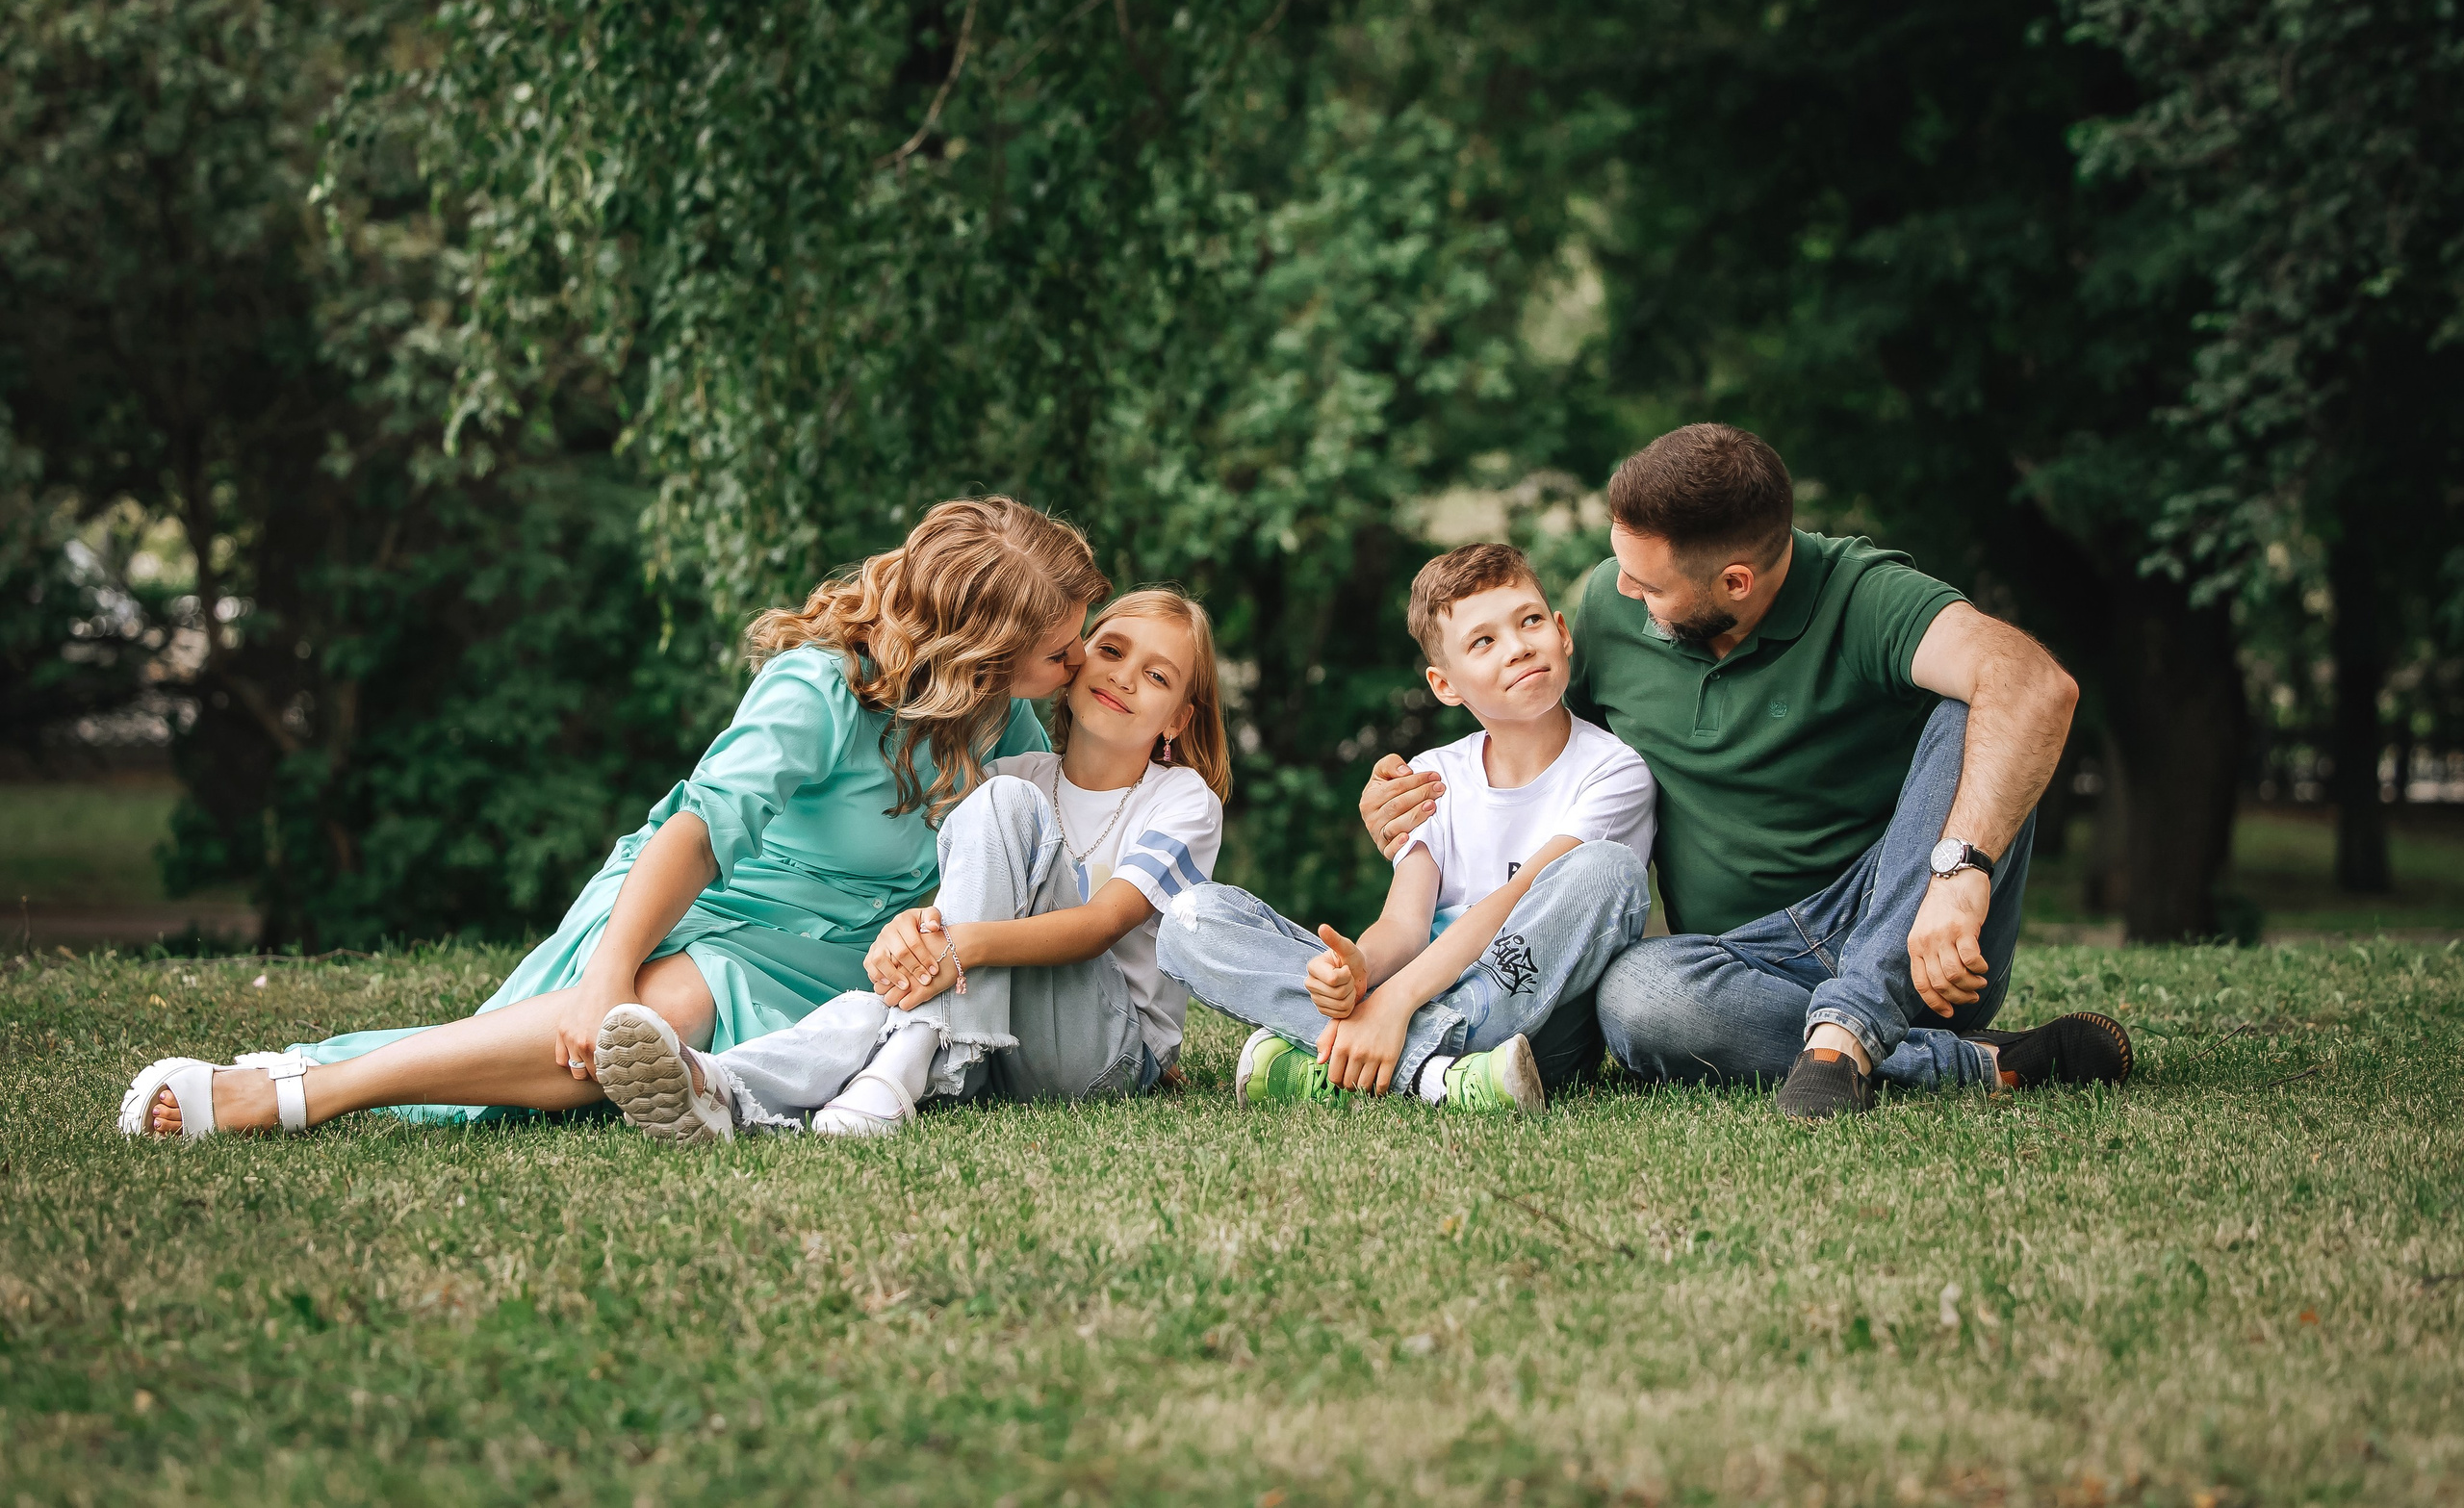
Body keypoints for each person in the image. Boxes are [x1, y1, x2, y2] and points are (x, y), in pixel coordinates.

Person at [120, 497, 1109, 1138]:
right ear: (983, 643)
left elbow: (1023, 857)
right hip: (719, 916)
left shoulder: (995, 713)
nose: (1076, 666)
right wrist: (604, 975)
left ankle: (326, 1077)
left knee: (630, 1051)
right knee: (634, 1024)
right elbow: (696, 833)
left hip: (847, 963)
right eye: (1063, 649)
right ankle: (301, 1091)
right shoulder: (819, 689)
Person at [1357, 424, 2132, 1121]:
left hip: (1912, 931)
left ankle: (1853, 1025)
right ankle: (1950, 1060)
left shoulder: (1861, 594)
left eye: (1647, 584)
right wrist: (1414, 802)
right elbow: (1549, 751)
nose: (1621, 591)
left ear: (1735, 582)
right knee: (1634, 995)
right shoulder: (1611, 609)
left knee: (1976, 707)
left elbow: (2036, 686)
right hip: (1743, 966)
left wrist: (1958, 874)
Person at [592, 589, 1229, 1142]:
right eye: (1111, 650)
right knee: (869, 1006)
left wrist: (956, 946)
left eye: (1157, 676)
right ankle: (719, 1086)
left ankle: (900, 1069)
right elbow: (952, 904)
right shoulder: (1011, 770)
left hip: (1103, 1052)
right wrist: (916, 930)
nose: (1124, 677)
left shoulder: (1181, 801)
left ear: (1178, 718)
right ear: (1077, 659)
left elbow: (1101, 924)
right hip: (999, 1044)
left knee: (996, 816)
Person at [1160, 543, 1656, 1113]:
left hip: (1534, 1018)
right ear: (1445, 685)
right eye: (1483, 641)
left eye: (1530, 621)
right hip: (1419, 994)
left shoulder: (1614, 771)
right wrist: (1359, 972)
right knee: (1191, 918)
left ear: (1562, 632)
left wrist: (1394, 1002)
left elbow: (1519, 896)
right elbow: (1405, 923)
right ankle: (1440, 1077)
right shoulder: (1433, 776)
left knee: (1607, 869)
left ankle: (1341, 1058)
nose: (1518, 647)